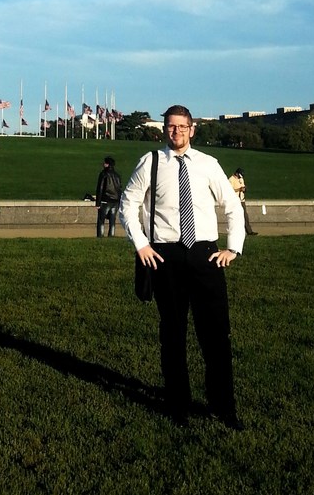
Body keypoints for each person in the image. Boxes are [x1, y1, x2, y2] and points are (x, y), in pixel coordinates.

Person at [119, 105, 246, 429]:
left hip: (205, 255)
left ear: (192, 129)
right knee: (173, 333)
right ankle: (178, 405)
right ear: (164, 129)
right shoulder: (151, 162)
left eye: (182, 127)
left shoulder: (208, 164)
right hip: (166, 256)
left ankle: (223, 407)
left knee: (216, 335)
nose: (176, 132)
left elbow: (232, 205)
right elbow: (127, 205)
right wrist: (141, 244)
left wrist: (233, 247)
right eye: (170, 126)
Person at [95, 156, 122, 237]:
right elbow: (119, 189)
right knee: (112, 221)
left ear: (107, 164)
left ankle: (100, 236)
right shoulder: (117, 175)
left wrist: (98, 203)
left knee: (101, 221)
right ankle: (111, 236)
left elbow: (100, 189)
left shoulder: (103, 174)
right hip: (115, 201)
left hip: (105, 200)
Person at [228, 168, 257, 236]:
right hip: (235, 200)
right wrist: (239, 189)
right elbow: (230, 190)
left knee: (245, 216)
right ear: (236, 173)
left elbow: (243, 186)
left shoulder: (241, 179)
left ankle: (249, 231)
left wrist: (244, 189)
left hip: (241, 200)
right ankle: (234, 231)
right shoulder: (231, 180)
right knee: (235, 216)